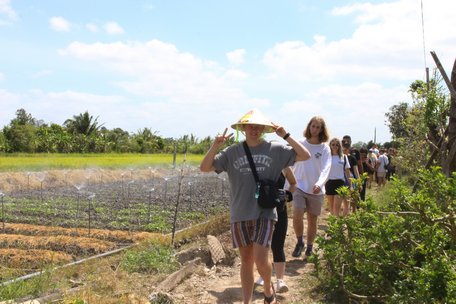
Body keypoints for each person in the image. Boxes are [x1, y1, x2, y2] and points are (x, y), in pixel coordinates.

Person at [200, 108, 310, 304]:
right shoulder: (232, 152)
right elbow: (205, 167)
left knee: (260, 259)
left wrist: (285, 135)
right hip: (239, 213)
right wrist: (215, 146)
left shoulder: (275, 149)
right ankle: (247, 301)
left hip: (265, 213)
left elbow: (305, 155)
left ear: (264, 129)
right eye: (250, 126)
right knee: (247, 261)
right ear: (243, 128)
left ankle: (268, 287)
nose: (254, 129)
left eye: (258, 126)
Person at [291, 116, 331, 261]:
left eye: (318, 127)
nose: (314, 130)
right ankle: (299, 241)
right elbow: (290, 163)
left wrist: (320, 183)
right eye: (312, 126)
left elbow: (327, 167)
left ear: (322, 130)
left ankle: (309, 246)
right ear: (309, 127)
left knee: (312, 219)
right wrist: (289, 183)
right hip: (299, 185)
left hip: (316, 189)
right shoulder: (300, 143)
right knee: (297, 213)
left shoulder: (324, 148)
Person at [255, 167, 297, 293]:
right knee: (262, 246)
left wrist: (287, 196)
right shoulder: (261, 164)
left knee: (278, 245)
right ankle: (263, 276)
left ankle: (280, 280)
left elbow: (294, 183)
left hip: (279, 209)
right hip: (261, 210)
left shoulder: (284, 166)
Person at [325, 138, 351, 216]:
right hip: (329, 182)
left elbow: (347, 172)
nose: (335, 146)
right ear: (330, 146)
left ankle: (336, 226)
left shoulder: (344, 157)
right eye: (333, 144)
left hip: (340, 183)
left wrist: (350, 184)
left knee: (337, 206)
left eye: (337, 145)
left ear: (340, 146)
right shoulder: (326, 157)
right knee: (331, 206)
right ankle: (333, 224)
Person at [342, 141, 360, 214]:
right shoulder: (338, 157)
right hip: (341, 178)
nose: (344, 151)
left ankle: (353, 210)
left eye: (346, 149)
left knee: (352, 196)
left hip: (350, 177)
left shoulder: (352, 158)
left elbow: (356, 171)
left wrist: (358, 181)